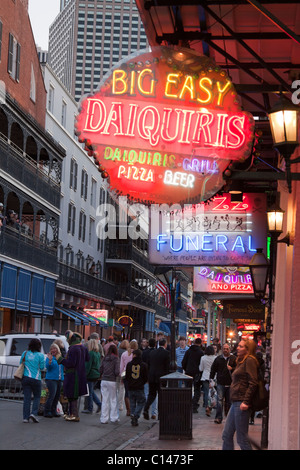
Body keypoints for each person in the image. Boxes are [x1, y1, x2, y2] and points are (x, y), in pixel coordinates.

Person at [222, 339, 258, 450]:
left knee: (242, 438)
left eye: (241, 346)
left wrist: (246, 402)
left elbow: (253, 382)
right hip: (236, 402)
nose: (237, 348)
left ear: (248, 349)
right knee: (227, 435)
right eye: (238, 346)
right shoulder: (241, 361)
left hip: (241, 402)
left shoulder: (250, 360)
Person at [55, 331, 89, 422]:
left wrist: (60, 359)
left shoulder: (73, 349)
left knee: (72, 395)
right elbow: (87, 359)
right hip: (80, 374)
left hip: (73, 375)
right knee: (73, 396)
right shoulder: (83, 348)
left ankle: (74, 415)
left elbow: (71, 363)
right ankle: (73, 414)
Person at [143, 338, 170, 420]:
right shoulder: (167, 353)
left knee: (151, 394)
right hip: (161, 377)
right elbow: (167, 366)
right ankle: (160, 414)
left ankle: (146, 408)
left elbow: (148, 364)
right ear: (165, 344)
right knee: (161, 395)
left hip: (152, 376)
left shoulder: (152, 352)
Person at [210, 343, 237, 424]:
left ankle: (229, 418)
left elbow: (238, 368)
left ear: (230, 349)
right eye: (224, 349)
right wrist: (211, 380)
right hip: (221, 383)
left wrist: (232, 368)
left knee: (229, 401)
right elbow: (213, 369)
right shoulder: (218, 359)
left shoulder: (233, 358)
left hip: (230, 383)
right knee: (219, 401)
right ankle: (218, 417)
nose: (225, 350)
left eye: (227, 349)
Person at [20, 338, 45, 423]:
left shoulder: (25, 353)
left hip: (26, 378)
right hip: (36, 379)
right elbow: (42, 367)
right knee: (37, 397)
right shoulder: (40, 355)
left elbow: (21, 363)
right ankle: (34, 413)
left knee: (27, 398)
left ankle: (25, 418)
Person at [126, 349, 148, 426]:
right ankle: (136, 415)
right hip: (139, 387)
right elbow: (145, 377)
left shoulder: (129, 364)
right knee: (142, 401)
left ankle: (133, 414)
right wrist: (142, 382)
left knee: (132, 402)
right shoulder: (143, 365)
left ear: (134, 355)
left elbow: (127, 376)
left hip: (131, 386)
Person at [182, 337, 204, 413]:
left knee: (188, 389)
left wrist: (186, 369)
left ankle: (187, 404)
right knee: (197, 390)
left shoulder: (188, 351)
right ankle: (194, 405)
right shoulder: (201, 352)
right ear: (200, 343)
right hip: (197, 373)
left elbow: (183, 362)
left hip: (188, 372)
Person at [99, 344, 120, 424]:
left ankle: (104, 418)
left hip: (104, 380)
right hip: (112, 380)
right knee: (113, 399)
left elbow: (100, 369)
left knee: (105, 400)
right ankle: (113, 417)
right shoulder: (116, 359)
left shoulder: (105, 358)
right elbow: (117, 371)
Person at [44, 343, 64, 418]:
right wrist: (50, 361)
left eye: (54, 348)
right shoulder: (49, 358)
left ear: (57, 349)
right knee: (52, 395)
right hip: (51, 379)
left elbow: (63, 367)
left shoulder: (60, 357)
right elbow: (48, 367)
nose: (53, 350)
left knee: (57, 396)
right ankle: (47, 411)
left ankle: (53, 410)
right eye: (52, 349)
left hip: (59, 379)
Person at [82, 339, 102, 414]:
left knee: (89, 392)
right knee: (91, 391)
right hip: (96, 373)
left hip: (90, 374)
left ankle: (90, 408)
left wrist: (84, 374)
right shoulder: (98, 354)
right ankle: (99, 404)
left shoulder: (90, 353)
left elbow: (88, 366)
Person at [120, 340, 138, 416]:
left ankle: (128, 410)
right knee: (134, 392)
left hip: (125, 374)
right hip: (135, 374)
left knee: (127, 392)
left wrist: (121, 376)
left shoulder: (124, 354)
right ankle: (133, 408)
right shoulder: (137, 354)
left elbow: (121, 366)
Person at [142, 337, 157, 419]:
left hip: (146, 375)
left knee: (146, 393)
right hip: (153, 376)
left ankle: (146, 409)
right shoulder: (155, 353)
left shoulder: (144, 353)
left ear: (148, 344)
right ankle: (154, 412)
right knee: (154, 394)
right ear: (155, 344)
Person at [199, 345, 216, 416]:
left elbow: (201, 368)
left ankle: (207, 407)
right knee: (213, 393)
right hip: (213, 377)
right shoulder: (215, 358)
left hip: (205, 376)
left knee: (206, 393)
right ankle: (211, 407)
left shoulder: (203, 358)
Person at [117, 339, 129, 411]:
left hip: (117, 371)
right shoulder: (127, 353)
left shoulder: (117, 351)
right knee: (122, 389)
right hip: (124, 371)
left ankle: (117, 403)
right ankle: (120, 405)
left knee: (117, 388)